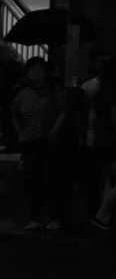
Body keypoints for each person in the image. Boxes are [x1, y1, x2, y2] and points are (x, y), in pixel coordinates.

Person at [10, 57, 68, 230]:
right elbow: (14, 114)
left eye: (39, 70)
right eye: (32, 70)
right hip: (31, 142)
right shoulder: (23, 94)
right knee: (32, 181)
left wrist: (54, 131)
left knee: (51, 180)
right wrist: (21, 134)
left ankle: (54, 217)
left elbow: (64, 111)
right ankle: (35, 218)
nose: (35, 74)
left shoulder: (53, 91)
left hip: (48, 141)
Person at [85, 57, 116, 232]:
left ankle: (105, 217)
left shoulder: (100, 92)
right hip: (111, 140)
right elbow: (115, 118)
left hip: (100, 139)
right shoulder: (115, 91)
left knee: (109, 180)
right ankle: (101, 215)